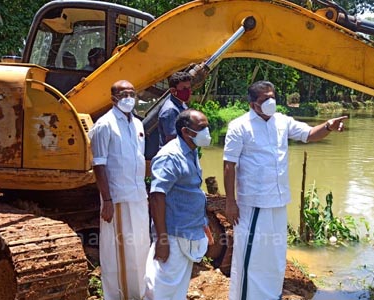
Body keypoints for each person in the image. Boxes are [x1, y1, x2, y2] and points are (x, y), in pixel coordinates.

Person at [223, 80, 348, 299]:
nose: (270, 102)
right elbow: (228, 164)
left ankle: (271, 295)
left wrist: (327, 126)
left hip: (279, 200)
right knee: (252, 256)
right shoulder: (239, 126)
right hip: (254, 203)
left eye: (273, 97)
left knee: (275, 255)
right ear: (253, 104)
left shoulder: (282, 121)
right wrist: (230, 202)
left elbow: (309, 135)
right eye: (264, 99)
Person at [89, 80, 150, 299]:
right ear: (113, 98)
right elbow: (98, 164)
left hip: (138, 195)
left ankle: (141, 292)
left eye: (132, 93)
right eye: (124, 94)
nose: (129, 98)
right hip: (118, 198)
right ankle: (122, 295)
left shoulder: (138, 124)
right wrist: (107, 200)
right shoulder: (105, 125)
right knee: (122, 253)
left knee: (141, 245)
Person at [145, 109, 213, 299]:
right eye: (202, 128)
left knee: (177, 288)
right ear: (186, 131)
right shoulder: (171, 156)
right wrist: (162, 239)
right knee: (163, 288)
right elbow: (157, 197)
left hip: (189, 230)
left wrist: (203, 223)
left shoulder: (191, 152)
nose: (207, 132)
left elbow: (191, 192)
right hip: (173, 235)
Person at [157, 71, 192, 148]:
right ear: (173, 91)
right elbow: (171, 140)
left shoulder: (182, 104)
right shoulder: (170, 111)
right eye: (184, 88)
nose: (188, 91)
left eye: (189, 88)